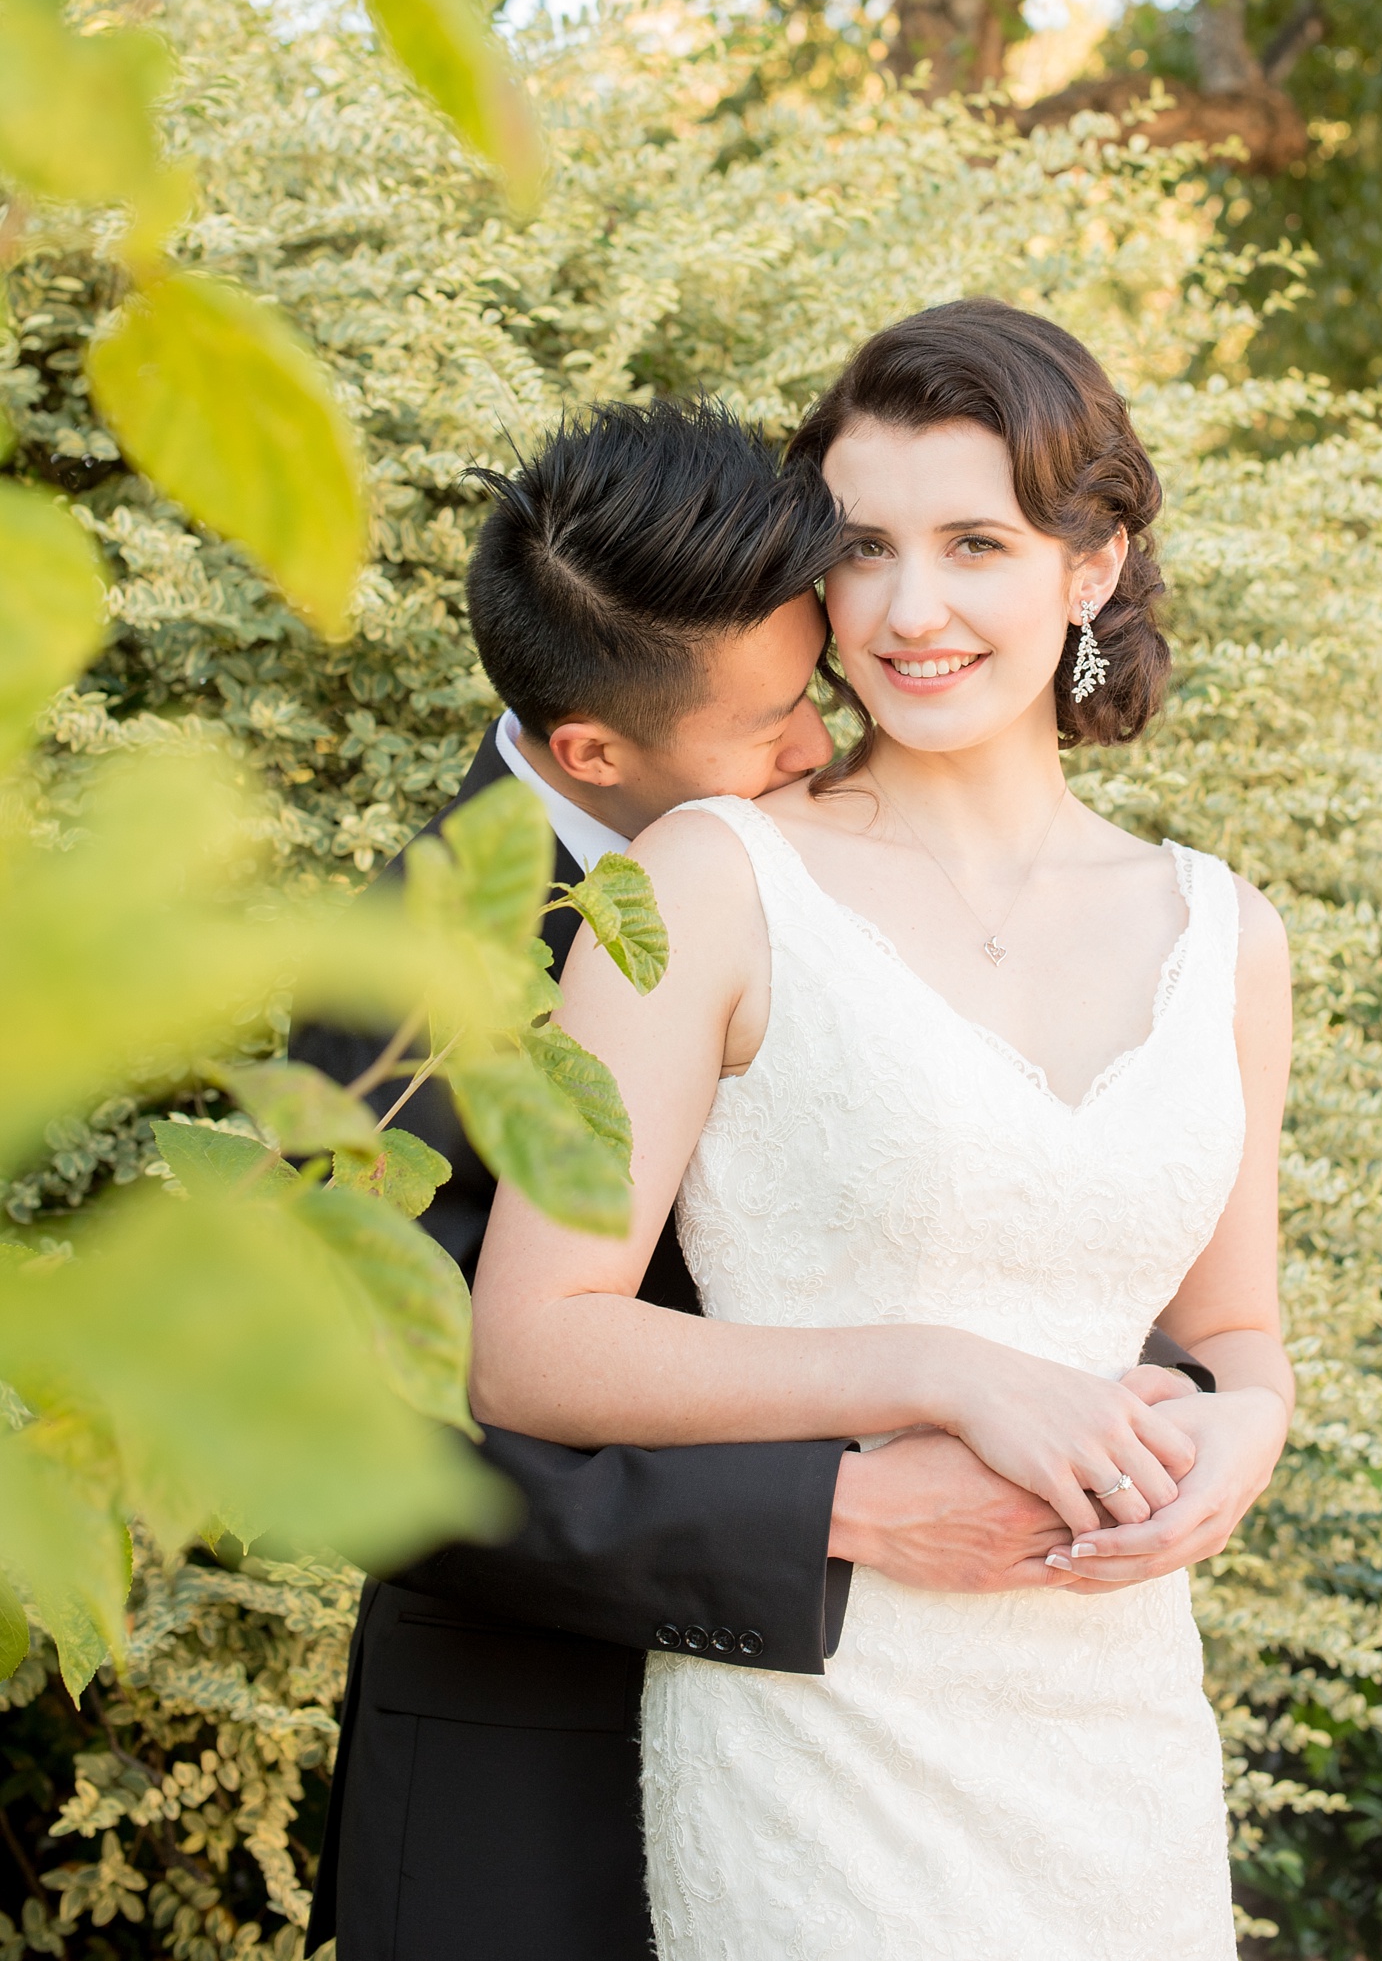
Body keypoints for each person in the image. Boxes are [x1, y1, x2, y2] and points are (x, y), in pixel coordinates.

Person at [298, 393, 1207, 1961]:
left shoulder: (820, 877)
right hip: (533, 1785)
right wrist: (831, 1509)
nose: (822, 738)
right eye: (776, 715)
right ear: (592, 749)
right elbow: (364, 1442)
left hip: (914, 1752)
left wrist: (1163, 1392)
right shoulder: (397, 981)